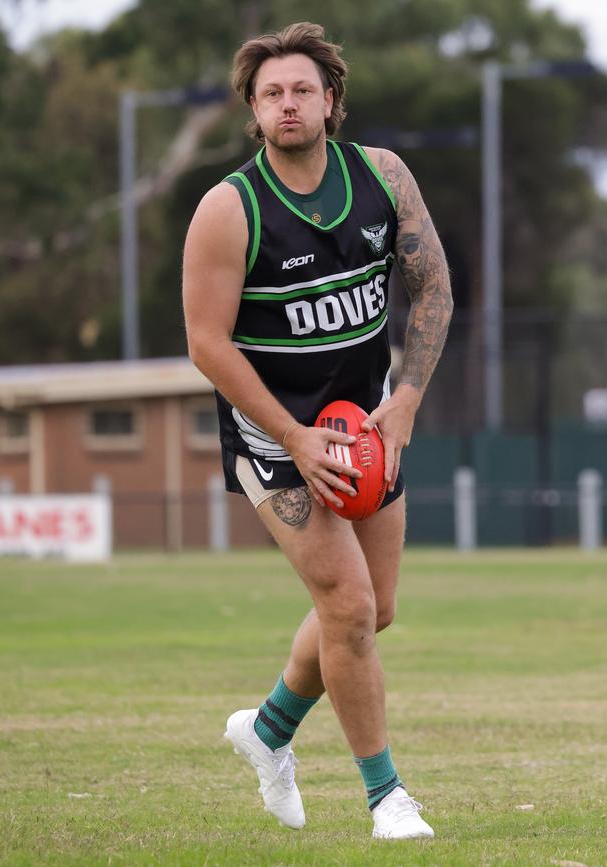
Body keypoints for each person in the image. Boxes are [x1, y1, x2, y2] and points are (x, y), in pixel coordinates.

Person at [183, 21, 453, 841]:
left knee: (376, 612)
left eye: (302, 89)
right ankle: (387, 798)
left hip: (365, 424)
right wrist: (294, 436)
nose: (288, 104)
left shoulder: (383, 179)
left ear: (331, 100)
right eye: (272, 94)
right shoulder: (230, 209)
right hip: (275, 439)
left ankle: (266, 731)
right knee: (346, 601)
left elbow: (434, 286)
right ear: (254, 112)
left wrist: (405, 397)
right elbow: (206, 343)